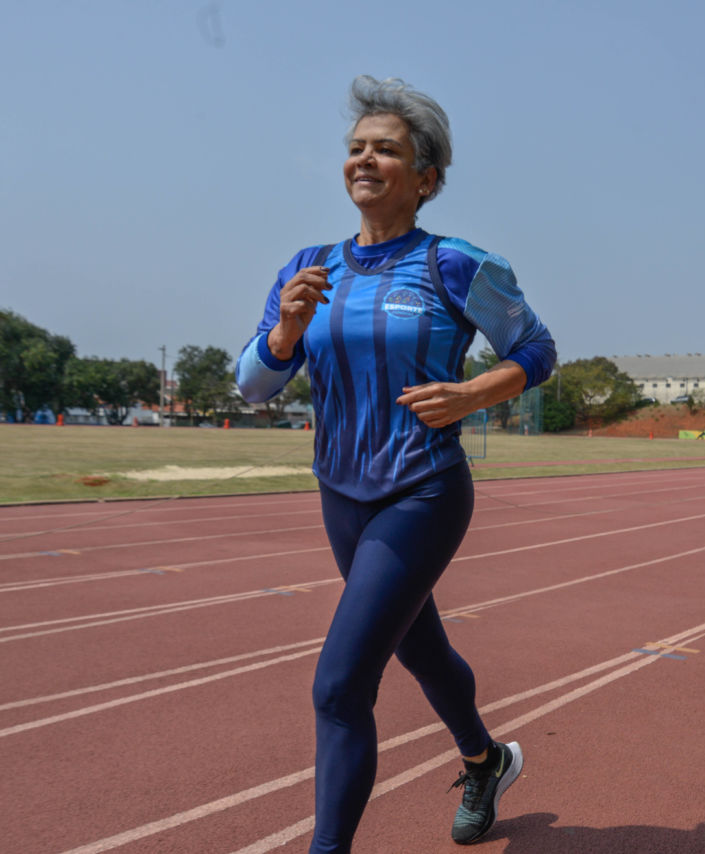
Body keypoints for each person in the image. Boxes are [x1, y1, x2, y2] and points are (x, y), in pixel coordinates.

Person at [236, 75, 555, 853]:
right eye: (355, 149)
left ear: (427, 178)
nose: (365, 160)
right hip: (340, 493)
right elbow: (252, 386)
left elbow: (537, 350)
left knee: (340, 687)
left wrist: (473, 393)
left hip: (422, 488)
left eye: (386, 149)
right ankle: (486, 760)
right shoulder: (308, 267)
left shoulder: (456, 266)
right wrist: (284, 331)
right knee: (421, 648)